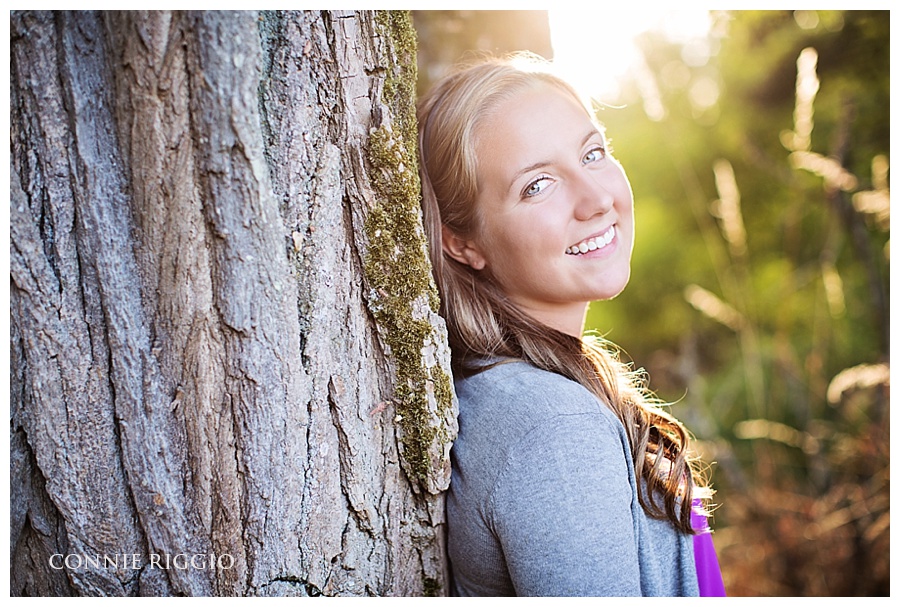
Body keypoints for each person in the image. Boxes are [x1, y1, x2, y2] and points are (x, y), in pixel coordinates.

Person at [416, 53, 724, 597]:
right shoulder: (553, 429)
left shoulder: (514, 391)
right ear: (461, 243)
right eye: (537, 185)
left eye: (593, 153)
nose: (596, 199)